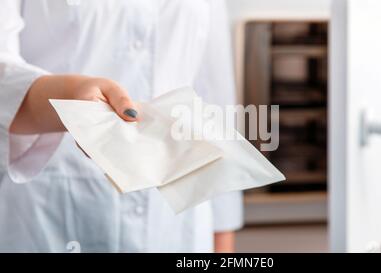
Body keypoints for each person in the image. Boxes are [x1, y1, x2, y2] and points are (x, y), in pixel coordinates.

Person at [0, 0, 243, 252]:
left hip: (177, 215)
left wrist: (223, 240)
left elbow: (213, 101)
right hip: (49, 209)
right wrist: (70, 95)